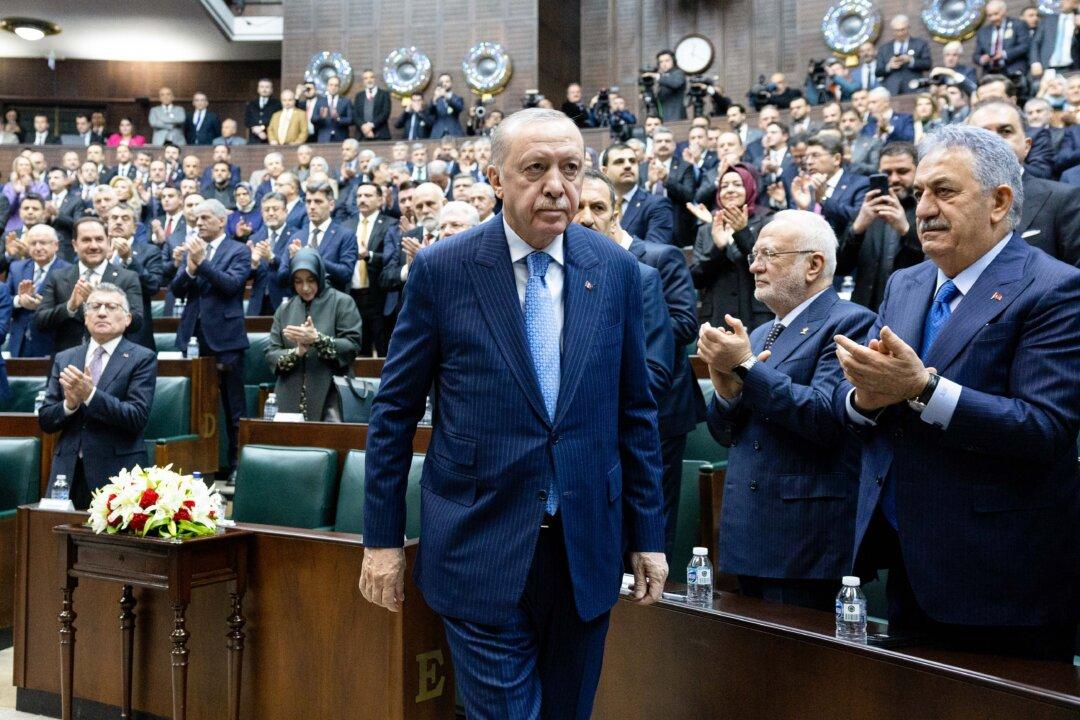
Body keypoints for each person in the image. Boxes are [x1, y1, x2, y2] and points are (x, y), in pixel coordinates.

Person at [359, 108, 667, 718]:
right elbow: (393, 413)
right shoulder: (443, 270)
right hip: (479, 546)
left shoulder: (617, 273)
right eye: (536, 168)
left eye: (571, 169)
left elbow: (635, 413)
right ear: (496, 179)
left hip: (586, 550)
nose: (557, 185)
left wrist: (648, 537)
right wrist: (382, 540)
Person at [833, 124, 1080, 661]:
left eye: (944, 192)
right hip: (906, 561)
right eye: (919, 192)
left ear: (1000, 202)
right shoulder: (907, 282)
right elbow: (871, 398)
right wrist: (862, 401)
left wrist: (923, 389)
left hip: (1003, 579)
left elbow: (1045, 428)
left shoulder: (1054, 288)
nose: (923, 208)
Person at [698, 209, 875, 611]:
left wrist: (746, 367)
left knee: (802, 670)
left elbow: (828, 418)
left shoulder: (851, 322)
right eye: (753, 255)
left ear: (813, 264)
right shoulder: (760, 332)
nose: (755, 266)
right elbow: (726, 434)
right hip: (748, 533)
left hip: (806, 542)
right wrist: (726, 393)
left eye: (769, 255)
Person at [38, 283, 156, 510]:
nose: (102, 312)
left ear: (128, 318)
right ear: (85, 317)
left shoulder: (142, 358)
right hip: (67, 474)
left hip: (117, 473)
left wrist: (90, 395)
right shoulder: (65, 358)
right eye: (94, 306)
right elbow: (45, 419)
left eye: (111, 307)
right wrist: (70, 404)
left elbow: (136, 417)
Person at [573, 170, 674, 400]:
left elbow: (655, 375)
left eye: (598, 208)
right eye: (577, 207)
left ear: (614, 219)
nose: (586, 218)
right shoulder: (539, 276)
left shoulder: (641, 278)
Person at [171, 199, 251, 476]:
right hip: (193, 338)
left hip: (226, 340)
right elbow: (177, 290)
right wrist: (191, 269)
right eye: (196, 219)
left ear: (221, 221)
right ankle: (198, 464)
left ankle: (236, 465)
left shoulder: (238, 250)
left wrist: (202, 263)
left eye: (205, 218)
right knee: (195, 404)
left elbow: (231, 285)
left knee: (233, 407)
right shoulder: (193, 251)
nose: (199, 223)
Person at [968, 100, 1080, 266]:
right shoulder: (951, 202)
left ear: (1027, 146)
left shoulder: (1065, 200)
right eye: (982, 135)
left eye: (1005, 131)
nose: (994, 141)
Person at [266, 248, 362, 420]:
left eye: (311, 280)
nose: (305, 288)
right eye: (298, 282)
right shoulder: (284, 309)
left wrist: (317, 339)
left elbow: (352, 346)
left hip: (332, 396)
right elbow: (271, 354)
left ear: (320, 275)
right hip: (289, 396)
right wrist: (297, 352)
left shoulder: (342, 302)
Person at [35, 217, 144, 352]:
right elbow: (40, 322)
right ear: (75, 245)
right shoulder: (58, 276)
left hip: (114, 363)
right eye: (86, 240)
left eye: (99, 239)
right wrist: (70, 307)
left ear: (108, 242)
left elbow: (136, 322)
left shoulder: (127, 277)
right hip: (67, 363)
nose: (93, 246)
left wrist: (103, 304)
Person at [837, 142, 924, 311]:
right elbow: (840, 267)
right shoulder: (867, 209)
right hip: (866, 312)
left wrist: (906, 230)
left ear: (918, 171)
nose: (894, 179)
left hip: (910, 310)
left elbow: (935, 262)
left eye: (902, 171)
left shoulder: (927, 210)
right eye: (887, 173)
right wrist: (857, 229)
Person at [689, 162, 773, 332]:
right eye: (724, 186)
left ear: (749, 187)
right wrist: (718, 248)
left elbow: (769, 266)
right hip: (716, 317)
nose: (730, 190)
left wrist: (742, 233)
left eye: (737, 184)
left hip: (756, 314)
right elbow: (697, 278)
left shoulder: (766, 221)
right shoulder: (707, 229)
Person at [344, 182, 399, 356]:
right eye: (359, 196)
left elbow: (393, 259)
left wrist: (370, 255)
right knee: (358, 350)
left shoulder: (391, 224)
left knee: (383, 349)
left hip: (378, 296)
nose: (362, 199)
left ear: (380, 199)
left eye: (368, 196)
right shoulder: (346, 225)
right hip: (352, 295)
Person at [5, 224, 71, 357]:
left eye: (43, 243)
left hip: (52, 344)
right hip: (19, 343)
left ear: (56, 245)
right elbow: (5, 302)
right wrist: (19, 301)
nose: (38, 247)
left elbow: (71, 309)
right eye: (33, 243)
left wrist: (44, 306)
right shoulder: (16, 268)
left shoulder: (68, 271)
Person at [280, 180, 357, 292]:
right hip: (302, 304)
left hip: (332, 303)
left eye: (318, 201)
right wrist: (293, 261)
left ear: (331, 205)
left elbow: (346, 274)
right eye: (308, 201)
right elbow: (281, 279)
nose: (312, 206)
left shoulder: (345, 235)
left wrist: (312, 257)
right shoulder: (297, 236)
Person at [789, 133, 869, 240]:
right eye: (807, 157)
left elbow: (857, 218)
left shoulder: (859, 184)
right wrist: (803, 208)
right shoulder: (805, 186)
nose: (808, 162)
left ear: (836, 159)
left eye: (815, 155)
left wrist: (823, 200)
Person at [105, 204, 162, 351]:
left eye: (125, 218)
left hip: (135, 335)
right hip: (100, 331)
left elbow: (153, 286)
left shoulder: (150, 251)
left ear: (135, 228)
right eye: (114, 218)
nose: (118, 222)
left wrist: (129, 260)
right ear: (107, 224)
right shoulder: (96, 252)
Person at [601, 143, 674, 246]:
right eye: (619, 162)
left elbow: (654, 252)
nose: (627, 166)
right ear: (604, 171)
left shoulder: (657, 204)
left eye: (632, 161)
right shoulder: (596, 205)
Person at [247, 192, 298, 315]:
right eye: (266, 210)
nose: (270, 213)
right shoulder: (254, 238)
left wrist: (272, 258)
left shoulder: (296, 236)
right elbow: (246, 276)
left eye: (275, 209)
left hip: (286, 301)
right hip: (258, 304)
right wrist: (253, 264)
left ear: (286, 211)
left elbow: (295, 271)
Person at [876, 14, 932, 95]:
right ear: (892, 30)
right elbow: (878, 71)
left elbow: (927, 64)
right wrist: (889, 66)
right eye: (897, 30)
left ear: (908, 28)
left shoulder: (920, 44)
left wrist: (910, 60)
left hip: (914, 87)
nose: (900, 33)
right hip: (892, 89)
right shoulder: (884, 49)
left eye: (903, 30)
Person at [974, 1, 1030, 77]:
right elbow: (976, 55)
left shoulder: (1018, 25)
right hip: (990, 73)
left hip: (1013, 70)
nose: (993, 18)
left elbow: (1024, 46)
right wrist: (982, 59)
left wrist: (1004, 54)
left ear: (1004, 12)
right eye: (990, 15)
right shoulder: (983, 32)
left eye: (996, 14)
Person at [1029, 0, 1080, 81]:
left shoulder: (1077, 20)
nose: (1061, 2)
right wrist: (1035, 62)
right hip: (1048, 68)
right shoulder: (1048, 19)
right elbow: (1036, 42)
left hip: (1071, 69)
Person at [312, 76, 354, 143]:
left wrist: (338, 119)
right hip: (324, 138)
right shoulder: (319, 101)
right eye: (331, 85)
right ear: (327, 86)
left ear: (339, 87)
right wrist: (321, 117)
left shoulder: (346, 101)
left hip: (341, 138)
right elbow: (313, 119)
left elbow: (351, 120)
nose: (333, 87)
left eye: (336, 85)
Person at [353, 69, 392, 141]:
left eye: (371, 77)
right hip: (361, 135)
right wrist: (364, 126)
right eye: (366, 78)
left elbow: (385, 113)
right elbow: (355, 115)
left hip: (381, 135)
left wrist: (370, 126)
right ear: (363, 81)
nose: (369, 80)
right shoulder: (359, 96)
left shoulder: (384, 94)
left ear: (375, 79)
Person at [245, 78, 282, 145]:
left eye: (267, 87)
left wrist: (262, 127)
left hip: (270, 138)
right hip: (253, 139)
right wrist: (255, 129)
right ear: (258, 89)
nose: (264, 89)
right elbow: (247, 120)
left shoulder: (277, 104)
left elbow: (277, 120)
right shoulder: (251, 103)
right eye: (262, 87)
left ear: (271, 90)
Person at [427, 73, 465, 138]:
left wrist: (446, 96)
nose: (444, 84)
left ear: (451, 83)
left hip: (454, 132)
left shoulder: (457, 98)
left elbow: (459, 108)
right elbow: (430, 112)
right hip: (438, 133)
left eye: (447, 81)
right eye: (442, 82)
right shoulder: (436, 99)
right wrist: (435, 98)